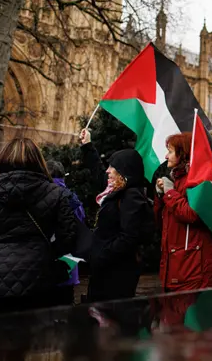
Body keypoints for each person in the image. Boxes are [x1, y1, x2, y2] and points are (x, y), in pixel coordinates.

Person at [0, 138, 77, 314]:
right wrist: (49, 254)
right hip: (40, 281)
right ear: (38, 160)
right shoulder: (56, 193)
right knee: (33, 338)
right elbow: (69, 237)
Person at [79, 129, 151, 301]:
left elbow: (128, 237)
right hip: (106, 269)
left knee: (112, 321)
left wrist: (101, 255)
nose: (108, 171)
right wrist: (88, 146)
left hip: (116, 273)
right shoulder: (117, 190)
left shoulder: (131, 196)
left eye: (113, 167)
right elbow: (98, 173)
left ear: (124, 172)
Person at [154, 132, 212, 291]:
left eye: (170, 151)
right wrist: (159, 195)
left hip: (194, 270)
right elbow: (160, 222)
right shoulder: (176, 180)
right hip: (178, 268)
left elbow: (192, 214)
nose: (165, 156)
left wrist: (169, 193)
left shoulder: (198, 179)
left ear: (183, 153)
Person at [47, 160, 86, 306]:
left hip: (47, 261)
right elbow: (81, 223)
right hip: (70, 262)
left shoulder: (43, 195)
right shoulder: (72, 197)